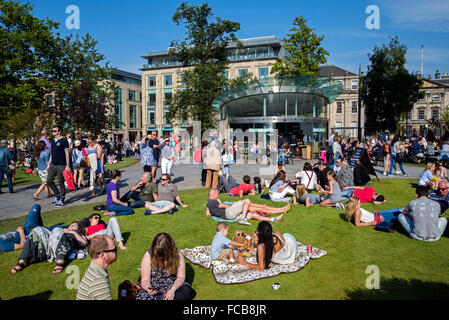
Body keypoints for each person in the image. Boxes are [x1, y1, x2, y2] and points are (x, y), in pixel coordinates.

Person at [11, 222, 87, 274]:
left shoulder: (78, 234)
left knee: (57, 230)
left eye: (73, 225)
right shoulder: (62, 229)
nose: (70, 226)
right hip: (50, 246)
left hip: (62, 248)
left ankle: (60, 262)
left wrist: (72, 232)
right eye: (70, 225)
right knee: (37, 229)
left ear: (79, 228)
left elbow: (84, 243)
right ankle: (22, 261)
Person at [136, 233, 196, 300]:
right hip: (154, 285)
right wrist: (148, 288)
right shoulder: (148, 255)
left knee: (186, 290)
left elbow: (181, 277)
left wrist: (172, 290)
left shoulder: (178, 255)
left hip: (171, 285)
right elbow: (145, 279)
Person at [206, 189, 286, 226]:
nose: (218, 195)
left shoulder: (210, 202)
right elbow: (224, 206)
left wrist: (216, 213)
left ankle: (272, 219)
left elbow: (208, 214)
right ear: (212, 195)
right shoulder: (212, 201)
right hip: (228, 212)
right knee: (246, 200)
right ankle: (243, 218)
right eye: (217, 194)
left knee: (252, 215)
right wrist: (233, 205)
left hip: (228, 216)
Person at [76, 235, 117, 300]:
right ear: (103, 255)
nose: (116, 252)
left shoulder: (93, 271)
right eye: (114, 249)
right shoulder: (98, 281)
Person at [46, 126, 70, 207]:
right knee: (48, 181)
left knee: (61, 182)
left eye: (55, 131)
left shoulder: (64, 140)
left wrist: (67, 165)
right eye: (52, 131)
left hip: (61, 165)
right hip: (53, 164)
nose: (53, 132)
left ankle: (62, 199)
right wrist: (49, 163)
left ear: (59, 132)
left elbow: (67, 152)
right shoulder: (53, 141)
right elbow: (52, 153)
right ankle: (57, 195)